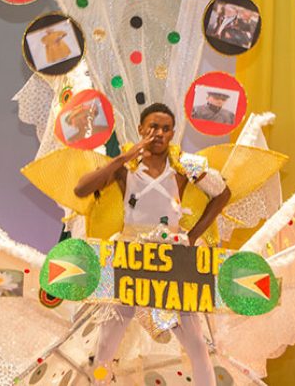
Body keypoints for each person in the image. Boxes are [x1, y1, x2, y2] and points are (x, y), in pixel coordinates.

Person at [73, 103, 231, 386]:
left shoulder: (185, 164)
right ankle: (98, 382)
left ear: (172, 133)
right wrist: (123, 157)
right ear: (141, 129)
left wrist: (193, 236)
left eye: (166, 128)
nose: (159, 133)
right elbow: (82, 189)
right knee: (109, 340)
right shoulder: (126, 167)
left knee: (194, 339)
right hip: (130, 256)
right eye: (153, 127)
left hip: (173, 257)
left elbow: (222, 194)